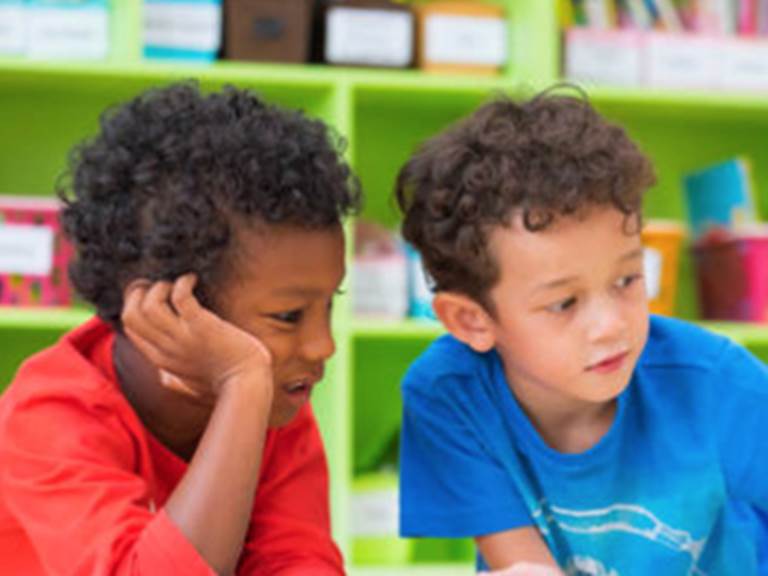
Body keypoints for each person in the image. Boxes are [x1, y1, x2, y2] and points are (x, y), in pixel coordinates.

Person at [395, 87, 768, 575]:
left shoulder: (720, 384)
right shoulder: (450, 393)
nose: (610, 325)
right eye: (564, 303)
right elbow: (525, 566)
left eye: (627, 280)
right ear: (472, 320)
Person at [0, 81, 360, 575]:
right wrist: (243, 384)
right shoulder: (48, 416)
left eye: (329, 306)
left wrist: (246, 389)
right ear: (168, 308)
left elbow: (300, 565)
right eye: (289, 317)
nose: (324, 345)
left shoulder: (274, 404)